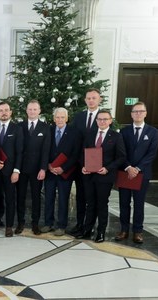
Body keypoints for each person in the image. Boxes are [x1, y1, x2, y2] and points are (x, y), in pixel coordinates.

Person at [75, 110, 126, 243]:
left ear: (110, 121)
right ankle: (87, 229)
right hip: (89, 176)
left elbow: (121, 157)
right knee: (90, 203)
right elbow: (82, 153)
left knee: (102, 204)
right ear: (96, 121)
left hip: (105, 176)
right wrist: (83, 166)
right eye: (99, 119)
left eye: (105, 119)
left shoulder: (115, 136)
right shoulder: (90, 135)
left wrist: (108, 169)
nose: (102, 121)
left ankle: (101, 232)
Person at [116, 102, 158, 244]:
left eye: (141, 111)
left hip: (142, 174)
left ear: (145, 113)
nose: (138, 113)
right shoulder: (124, 131)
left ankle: (138, 231)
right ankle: (124, 230)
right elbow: (121, 152)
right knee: (124, 203)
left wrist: (138, 168)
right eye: (135, 111)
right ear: (131, 114)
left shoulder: (153, 132)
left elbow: (151, 154)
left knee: (139, 204)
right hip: (125, 172)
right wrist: (128, 167)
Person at [69, 88, 102, 236]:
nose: (91, 100)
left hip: (96, 166)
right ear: (85, 100)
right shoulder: (79, 117)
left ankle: (91, 226)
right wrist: (80, 162)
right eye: (88, 98)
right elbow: (74, 140)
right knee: (81, 197)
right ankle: (80, 224)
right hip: (79, 165)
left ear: (99, 99)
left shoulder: (103, 117)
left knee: (93, 197)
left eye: (94, 98)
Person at [42, 108, 79, 236]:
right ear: (54, 119)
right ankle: (48, 223)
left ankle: (61, 225)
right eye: (57, 117)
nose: (60, 120)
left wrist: (63, 168)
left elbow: (75, 154)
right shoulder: (49, 130)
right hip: (50, 171)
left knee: (63, 199)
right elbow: (44, 149)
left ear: (67, 118)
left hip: (65, 173)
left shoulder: (73, 133)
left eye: (62, 117)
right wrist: (48, 165)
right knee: (48, 198)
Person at [17, 100, 51, 235]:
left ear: (39, 111)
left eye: (35, 109)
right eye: (30, 109)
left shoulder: (45, 127)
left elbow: (46, 150)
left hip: (37, 169)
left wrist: (43, 168)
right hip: (21, 168)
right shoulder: (19, 126)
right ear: (26, 110)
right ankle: (20, 222)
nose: (32, 111)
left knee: (37, 197)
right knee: (20, 196)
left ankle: (35, 223)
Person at [0, 102, 23, 237]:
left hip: (10, 172)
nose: (3, 113)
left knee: (10, 199)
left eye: (6, 110)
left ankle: (9, 226)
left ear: (10, 112)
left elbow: (19, 152)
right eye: (0, 110)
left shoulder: (17, 129)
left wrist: (16, 170)